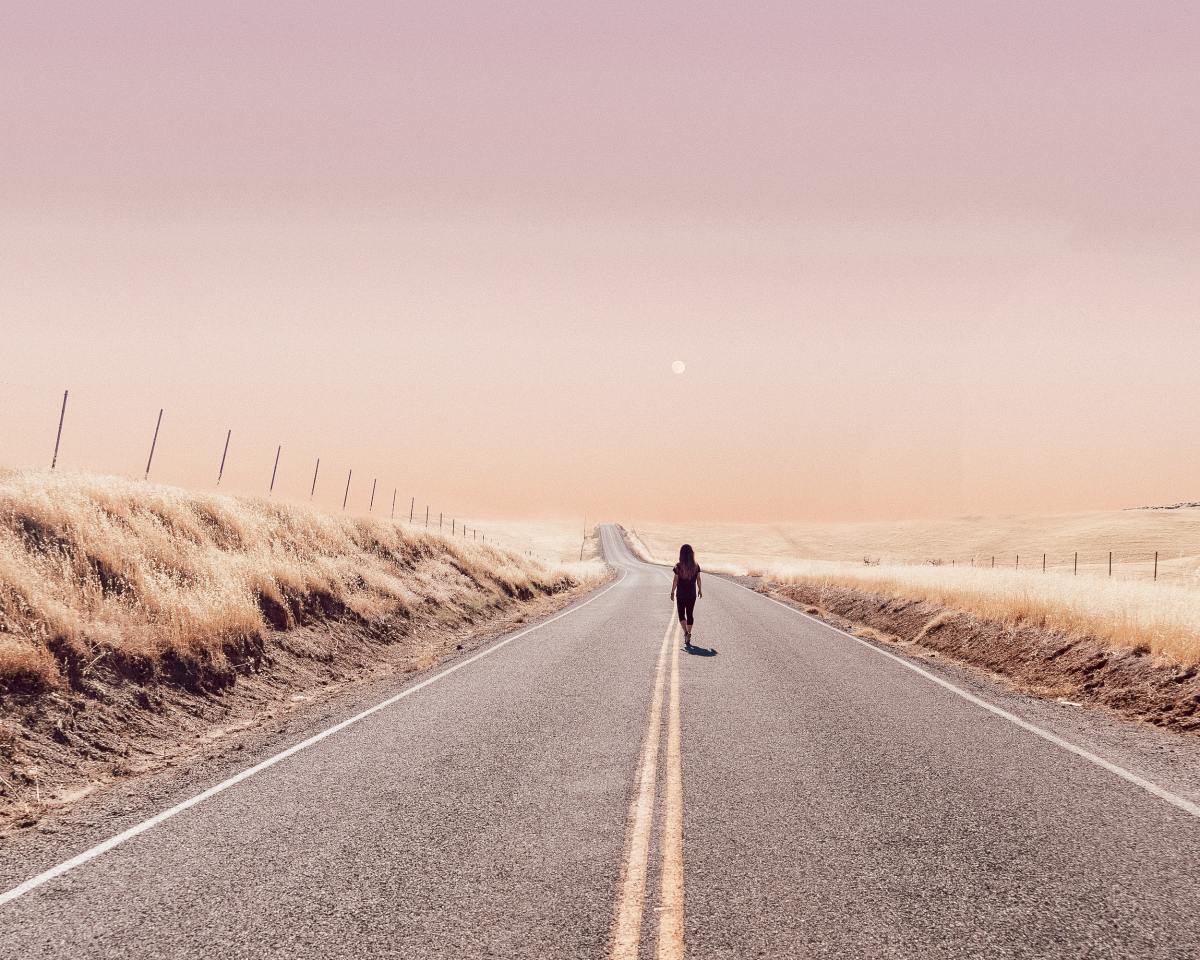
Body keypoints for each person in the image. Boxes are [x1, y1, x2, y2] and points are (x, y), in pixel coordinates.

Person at [670, 544, 702, 646]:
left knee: (681, 614)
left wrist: (672, 591)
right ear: (692, 554)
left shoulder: (678, 566)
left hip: (681, 595)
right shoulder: (696, 566)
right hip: (692, 594)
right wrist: (700, 590)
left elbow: (675, 580)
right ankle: (689, 633)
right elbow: (698, 579)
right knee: (690, 614)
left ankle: (686, 633)